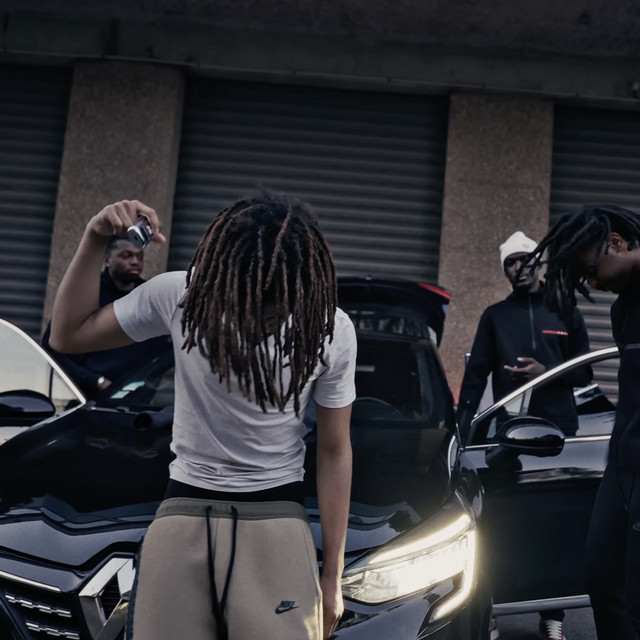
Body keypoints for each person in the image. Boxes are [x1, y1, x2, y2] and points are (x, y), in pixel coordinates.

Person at [49, 193, 356, 640]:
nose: (258, 321)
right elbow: (67, 335)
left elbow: (334, 450)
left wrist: (333, 577)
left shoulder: (328, 327)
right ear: (222, 279)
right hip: (185, 513)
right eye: (246, 304)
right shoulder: (183, 295)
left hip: (277, 520)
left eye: (272, 310)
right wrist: (96, 236)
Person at [457, 230, 590, 640]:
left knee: (555, 528)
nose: (519, 268)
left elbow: (584, 372)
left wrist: (545, 373)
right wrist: (462, 429)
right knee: (502, 526)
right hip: (509, 436)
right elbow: (475, 375)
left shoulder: (564, 309)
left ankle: (553, 617)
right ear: (506, 271)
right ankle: (492, 609)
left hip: (559, 436)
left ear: (539, 262)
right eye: (510, 263)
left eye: (525, 259)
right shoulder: (495, 315)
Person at [530, 203, 640, 640]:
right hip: (623, 469)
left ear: (616, 242)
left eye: (590, 270)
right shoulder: (623, 311)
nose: (591, 284)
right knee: (603, 579)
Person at [42, 235, 169, 397]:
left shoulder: (148, 298)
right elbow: (52, 348)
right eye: (126, 256)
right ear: (107, 260)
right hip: (84, 396)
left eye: (140, 256)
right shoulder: (87, 293)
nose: (135, 262)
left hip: (133, 399)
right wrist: (96, 381)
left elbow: (157, 354)